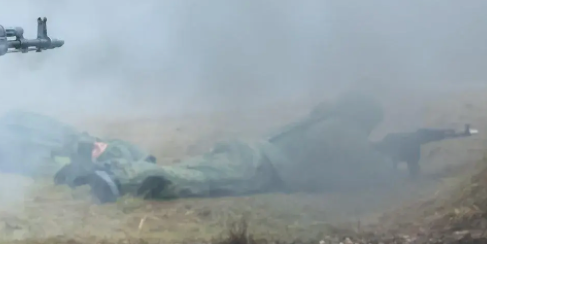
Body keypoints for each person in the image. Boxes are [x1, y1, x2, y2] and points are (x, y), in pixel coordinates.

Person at [59, 92, 451, 203]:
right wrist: (398, 157)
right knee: (185, 178)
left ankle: (103, 159)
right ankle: (116, 178)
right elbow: (373, 176)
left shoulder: (324, 121)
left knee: (188, 170)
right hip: (257, 165)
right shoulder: (343, 133)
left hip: (249, 152)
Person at [0, 109, 155, 178]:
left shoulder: (62, 161)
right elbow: (18, 118)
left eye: (99, 151)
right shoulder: (67, 137)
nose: (96, 147)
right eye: (99, 145)